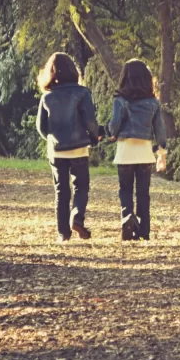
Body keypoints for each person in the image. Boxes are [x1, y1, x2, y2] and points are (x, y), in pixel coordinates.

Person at [36, 52, 102, 241]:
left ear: (50, 73)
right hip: (79, 148)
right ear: (74, 70)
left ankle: (63, 233)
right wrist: (93, 137)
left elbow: (41, 128)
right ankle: (77, 217)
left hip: (56, 150)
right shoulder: (83, 93)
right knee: (81, 186)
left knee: (61, 191)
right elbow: (90, 121)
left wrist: (52, 139)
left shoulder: (47, 98)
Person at [106, 59, 168, 241]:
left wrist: (111, 133)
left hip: (125, 152)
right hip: (145, 154)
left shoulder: (120, 101)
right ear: (147, 79)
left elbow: (114, 125)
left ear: (125, 79)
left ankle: (127, 218)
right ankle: (144, 230)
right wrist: (161, 155)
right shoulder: (153, 103)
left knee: (125, 190)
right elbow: (160, 131)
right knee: (143, 193)